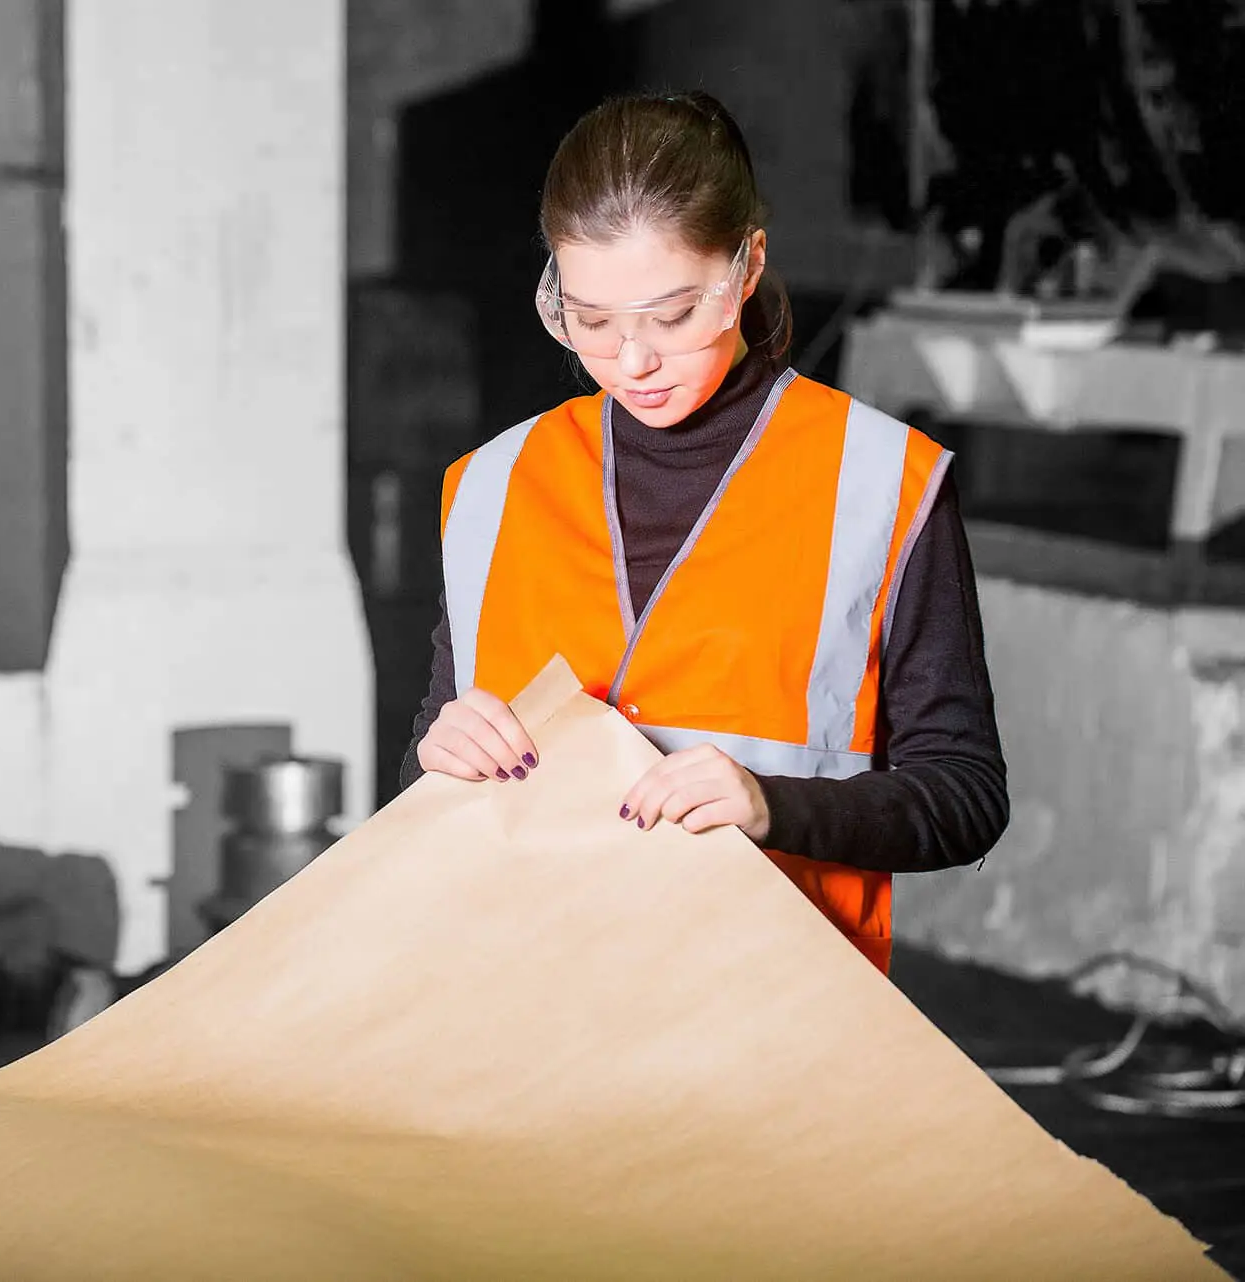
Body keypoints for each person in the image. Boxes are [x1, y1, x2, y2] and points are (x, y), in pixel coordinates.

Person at [401, 90, 1009, 975]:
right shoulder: (493, 485)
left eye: (673, 315)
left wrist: (770, 807)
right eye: (592, 322)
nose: (633, 361)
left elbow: (964, 797)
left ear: (748, 265)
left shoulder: (881, 483)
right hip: (524, 1005)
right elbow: (435, 761)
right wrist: (437, 761)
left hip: (772, 1010)